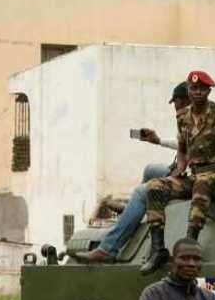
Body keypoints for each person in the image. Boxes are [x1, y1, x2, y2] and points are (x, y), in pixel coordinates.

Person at [77, 82, 195, 264]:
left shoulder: (202, 119)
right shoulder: (189, 118)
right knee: (150, 170)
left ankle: (108, 249)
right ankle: (134, 209)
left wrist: (179, 171)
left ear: (187, 100)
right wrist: (158, 141)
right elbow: (183, 146)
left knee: (143, 191)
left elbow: (200, 154)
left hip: (194, 176)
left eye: (177, 102)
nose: (175, 107)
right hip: (182, 169)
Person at [138, 70, 215, 274]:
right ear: (188, 90)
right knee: (155, 185)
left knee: (201, 183)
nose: (197, 93)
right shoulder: (183, 117)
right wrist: (179, 168)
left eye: (202, 89)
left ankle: (189, 244)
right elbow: (182, 149)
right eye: (193, 88)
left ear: (208, 91)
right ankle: (158, 249)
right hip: (194, 174)